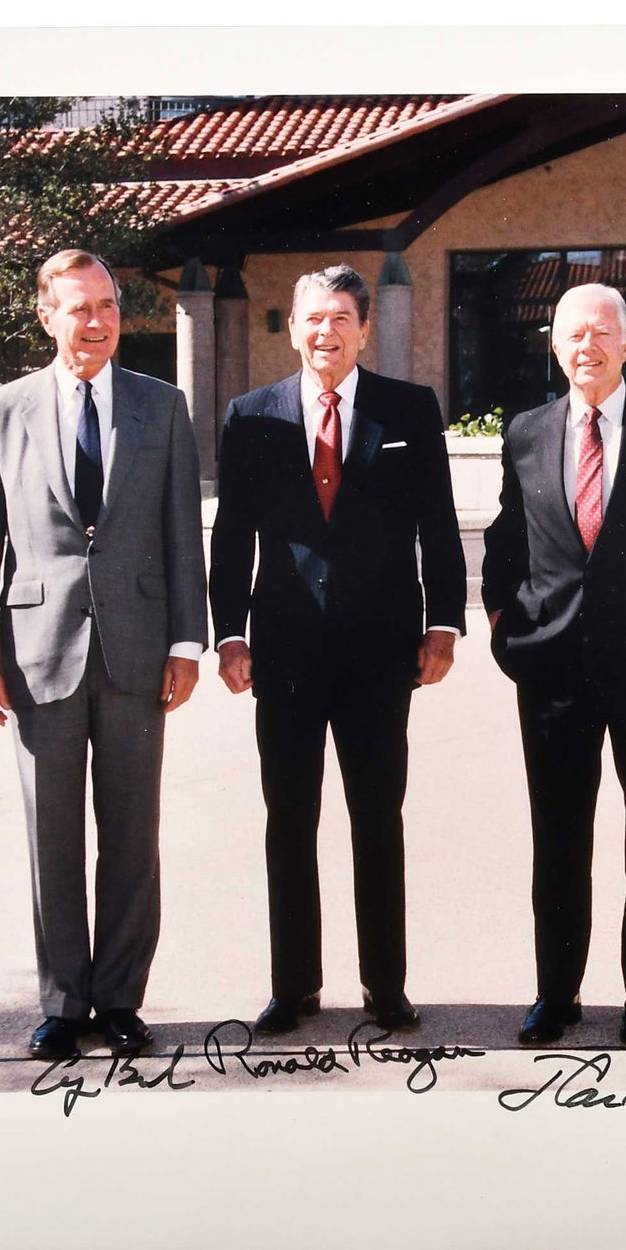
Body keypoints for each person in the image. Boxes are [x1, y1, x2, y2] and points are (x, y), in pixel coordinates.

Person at [0, 248, 207, 1060]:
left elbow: (179, 535)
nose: (95, 323)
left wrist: (185, 641)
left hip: (137, 652)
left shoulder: (161, 406)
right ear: (46, 316)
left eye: (106, 307)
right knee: (51, 838)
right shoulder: (4, 409)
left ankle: (122, 999)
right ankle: (63, 1002)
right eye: (77, 308)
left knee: (133, 836)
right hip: (37, 654)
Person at [208, 263, 466, 1035]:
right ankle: (295, 987)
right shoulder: (250, 415)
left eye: (341, 320)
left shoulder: (409, 409)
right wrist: (229, 634)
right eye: (312, 320)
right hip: (283, 653)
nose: (326, 333)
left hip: (381, 651)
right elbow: (231, 539)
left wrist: (445, 623)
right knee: (289, 818)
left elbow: (440, 529)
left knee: (376, 818)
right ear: (293, 329)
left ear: (363, 329)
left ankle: (384, 986)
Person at [481, 283, 626, 1047]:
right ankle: (558, 992)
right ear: (556, 345)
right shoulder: (527, 431)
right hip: (552, 671)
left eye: (603, 333)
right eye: (574, 334)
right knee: (558, 839)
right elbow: (506, 540)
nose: (588, 346)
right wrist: (504, 625)